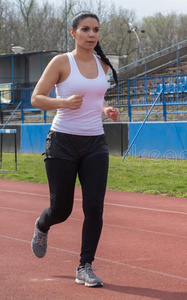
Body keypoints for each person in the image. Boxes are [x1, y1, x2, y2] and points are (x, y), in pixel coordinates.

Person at [30, 11, 119, 288]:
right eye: (85, 29)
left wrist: (106, 109)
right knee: (61, 210)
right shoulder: (61, 62)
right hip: (62, 142)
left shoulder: (102, 64)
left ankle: (85, 266)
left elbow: (95, 99)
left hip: (95, 143)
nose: (91, 34)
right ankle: (42, 226)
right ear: (73, 33)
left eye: (95, 30)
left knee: (95, 208)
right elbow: (37, 98)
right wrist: (63, 103)